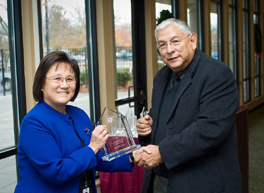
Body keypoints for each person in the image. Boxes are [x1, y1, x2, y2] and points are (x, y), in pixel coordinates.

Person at [14, 51, 149, 193]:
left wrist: (132, 156)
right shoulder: (34, 122)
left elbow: (94, 158)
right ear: (41, 84)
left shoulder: (79, 114)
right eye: (57, 79)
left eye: (70, 79)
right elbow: (57, 172)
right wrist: (93, 147)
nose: (64, 85)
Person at [135, 18, 242, 193]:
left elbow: (210, 129)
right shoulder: (161, 76)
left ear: (192, 40)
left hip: (202, 182)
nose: (169, 50)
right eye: (162, 45)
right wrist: (146, 127)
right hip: (161, 179)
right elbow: (159, 117)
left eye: (175, 41)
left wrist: (162, 152)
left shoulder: (217, 74)